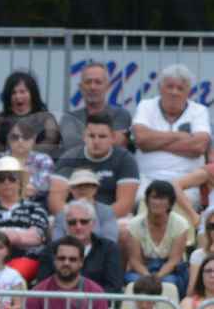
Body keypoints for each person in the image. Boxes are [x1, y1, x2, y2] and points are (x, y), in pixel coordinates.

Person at [132, 64, 212, 210]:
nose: (174, 92)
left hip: (186, 182)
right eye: (170, 86)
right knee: (139, 199)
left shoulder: (199, 111)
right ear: (160, 88)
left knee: (185, 202)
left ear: (188, 92)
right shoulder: (146, 106)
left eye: (180, 88)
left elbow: (199, 146)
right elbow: (141, 139)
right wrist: (180, 136)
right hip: (147, 178)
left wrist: (153, 143)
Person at [49, 111, 139, 219]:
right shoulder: (69, 157)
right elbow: (55, 202)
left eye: (102, 136)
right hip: (73, 218)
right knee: (52, 224)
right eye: (91, 136)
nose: (96, 141)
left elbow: (125, 205)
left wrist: (94, 221)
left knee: (125, 229)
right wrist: (79, 220)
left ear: (113, 137)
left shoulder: (125, 159)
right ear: (84, 136)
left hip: (112, 218)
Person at [37, 199, 123, 293]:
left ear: (93, 224)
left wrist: (86, 304)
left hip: (96, 305)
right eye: (72, 222)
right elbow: (43, 287)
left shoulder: (109, 249)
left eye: (84, 221)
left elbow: (113, 287)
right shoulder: (50, 250)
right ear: (66, 225)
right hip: (59, 305)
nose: (78, 227)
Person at [123, 180, 190, 296]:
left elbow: (174, 260)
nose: (157, 202)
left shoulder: (180, 224)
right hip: (143, 269)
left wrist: (157, 278)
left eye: (162, 198)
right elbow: (134, 260)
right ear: (147, 200)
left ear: (170, 203)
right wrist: (148, 277)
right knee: (132, 280)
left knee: (170, 282)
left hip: (170, 270)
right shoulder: (134, 224)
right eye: (154, 197)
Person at [0, 71, 61, 161]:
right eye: (13, 93)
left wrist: (26, 153)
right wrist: (13, 153)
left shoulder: (46, 118)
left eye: (22, 92)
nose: (18, 96)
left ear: (32, 93)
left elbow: (52, 141)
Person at [58, 61, 132, 152]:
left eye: (98, 82)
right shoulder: (70, 118)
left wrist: (84, 141)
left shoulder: (120, 115)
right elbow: (71, 147)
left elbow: (118, 144)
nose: (93, 87)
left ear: (107, 86)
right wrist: (104, 139)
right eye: (88, 82)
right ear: (81, 87)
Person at [0, 115, 53, 204]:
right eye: (15, 137)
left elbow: (42, 190)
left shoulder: (44, 160)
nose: (20, 140)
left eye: (26, 136)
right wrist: (23, 188)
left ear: (34, 138)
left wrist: (6, 189)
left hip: (33, 207)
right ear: (8, 138)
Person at [48, 168, 119, 244]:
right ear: (71, 189)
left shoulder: (106, 212)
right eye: (78, 185)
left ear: (95, 188)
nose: (82, 189)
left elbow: (110, 240)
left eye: (87, 185)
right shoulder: (62, 214)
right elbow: (57, 243)